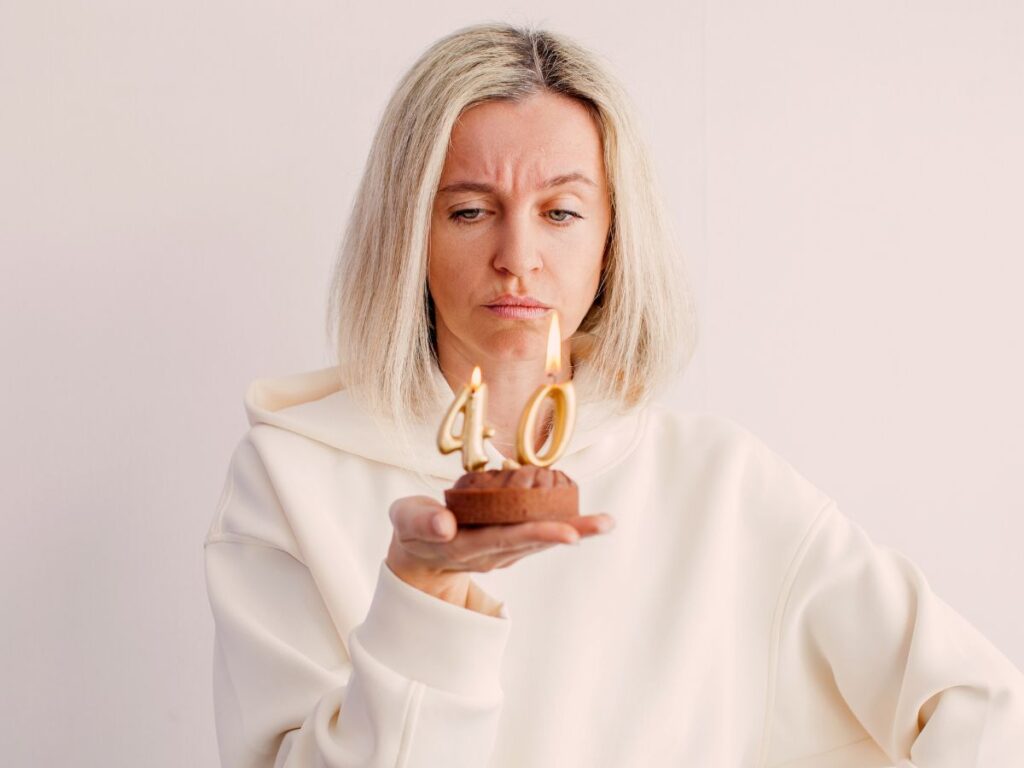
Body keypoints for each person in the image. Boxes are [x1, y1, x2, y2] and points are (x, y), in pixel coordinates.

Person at [202, 21, 1024, 768]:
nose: (517, 256)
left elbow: (982, 709)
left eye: (560, 212)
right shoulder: (289, 479)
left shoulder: (721, 484)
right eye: (469, 210)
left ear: (613, 237)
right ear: (408, 231)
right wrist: (420, 597)